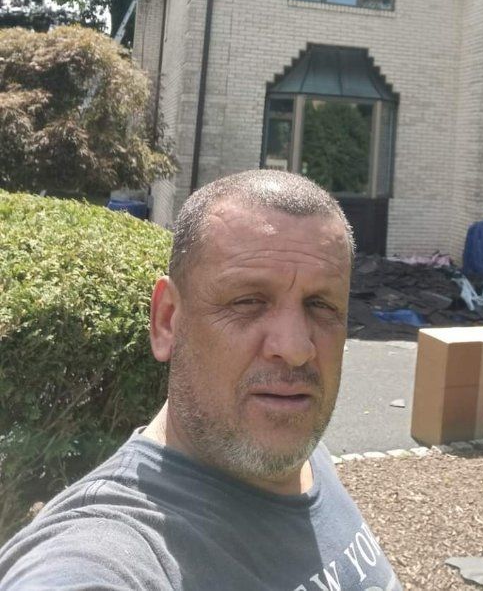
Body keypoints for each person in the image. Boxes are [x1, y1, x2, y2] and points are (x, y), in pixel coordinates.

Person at [0, 170, 402, 591]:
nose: (297, 347)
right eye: (248, 301)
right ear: (167, 321)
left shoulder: (300, 452)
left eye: (320, 305)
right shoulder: (108, 554)